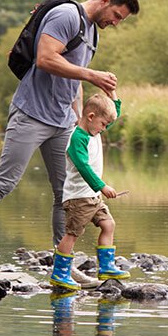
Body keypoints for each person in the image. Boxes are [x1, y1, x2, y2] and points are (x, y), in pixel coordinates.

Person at [0, 0, 139, 284]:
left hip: (63, 122)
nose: (115, 23)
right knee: (3, 183)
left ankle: (62, 265)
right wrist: (91, 74)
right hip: (31, 113)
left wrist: (77, 118)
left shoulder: (92, 34)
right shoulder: (66, 16)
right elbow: (46, 59)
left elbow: (73, 81)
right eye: (116, 15)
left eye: (119, 20)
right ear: (105, 0)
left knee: (66, 193)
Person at [48, 91, 130, 290]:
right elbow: (83, 166)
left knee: (108, 225)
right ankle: (60, 273)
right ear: (91, 117)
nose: (105, 129)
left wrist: (113, 95)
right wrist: (102, 186)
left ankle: (107, 267)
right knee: (72, 233)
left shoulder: (95, 130)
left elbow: (112, 115)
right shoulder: (78, 139)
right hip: (78, 197)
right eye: (103, 124)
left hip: (92, 197)